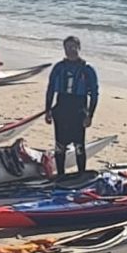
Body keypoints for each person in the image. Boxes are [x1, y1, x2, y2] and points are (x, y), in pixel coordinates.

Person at [44, 36, 99, 175]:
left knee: (79, 145)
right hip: (62, 107)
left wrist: (90, 115)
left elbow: (94, 94)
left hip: (79, 108)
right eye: (68, 47)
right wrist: (48, 110)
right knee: (59, 146)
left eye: (74, 47)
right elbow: (50, 89)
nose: (71, 50)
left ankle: (81, 174)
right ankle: (61, 175)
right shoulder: (59, 68)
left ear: (79, 48)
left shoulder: (87, 69)